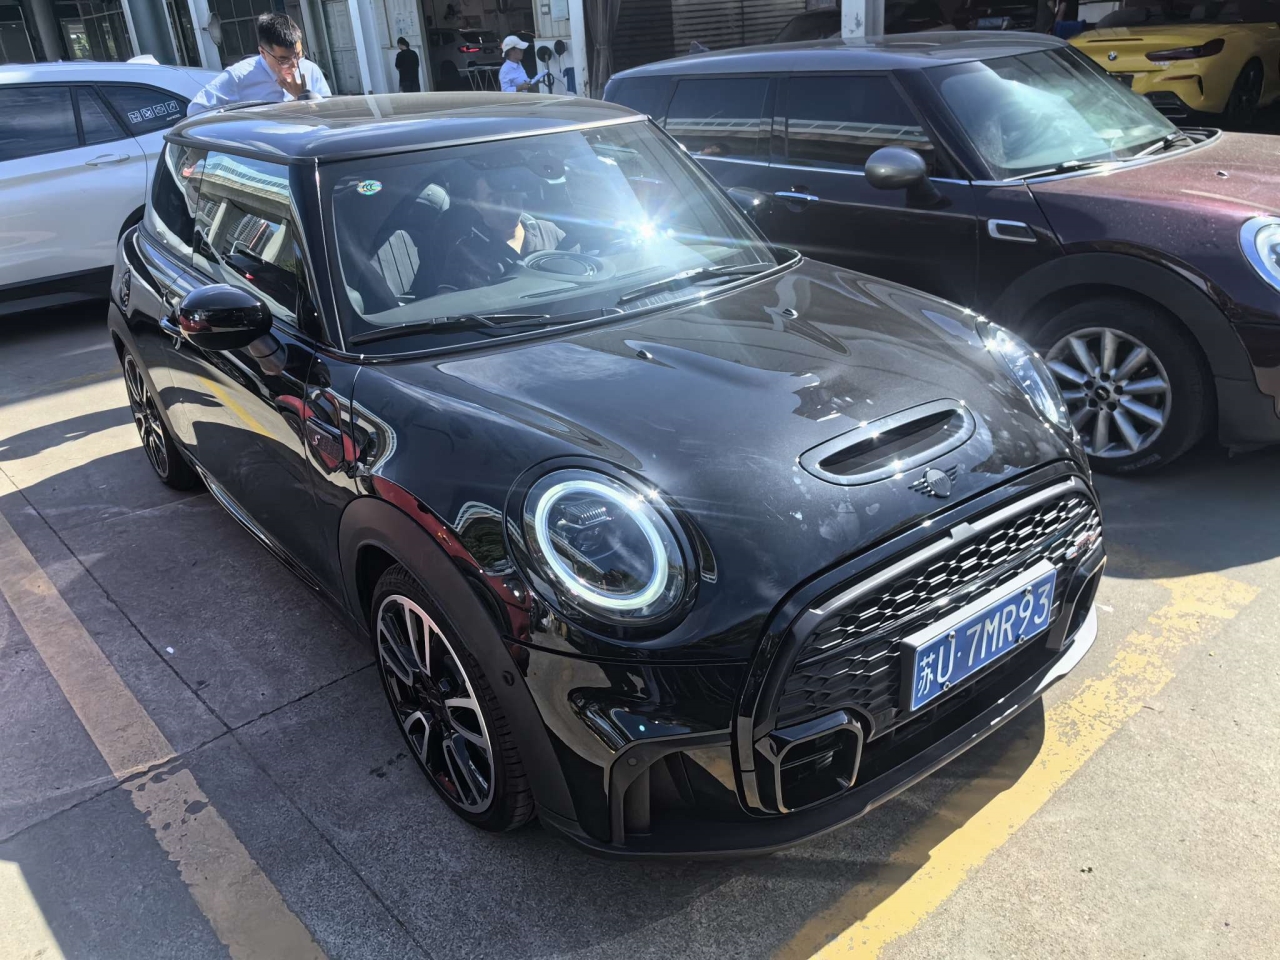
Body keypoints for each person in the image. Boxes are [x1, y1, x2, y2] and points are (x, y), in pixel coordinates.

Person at [439, 169, 564, 292]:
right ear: (476, 205)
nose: (506, 206)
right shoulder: (465, 255)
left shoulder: (550, 232)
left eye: (511, 195)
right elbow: (448, 301)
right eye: (494, 200)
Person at [187, 14, 331, 116]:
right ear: (263, 53)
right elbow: (196, 110)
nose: (294, 65)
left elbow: (331, 115)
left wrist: (302, 96)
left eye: (298, 55)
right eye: (283, 60)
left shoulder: (310, 69)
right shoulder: (239, 76)